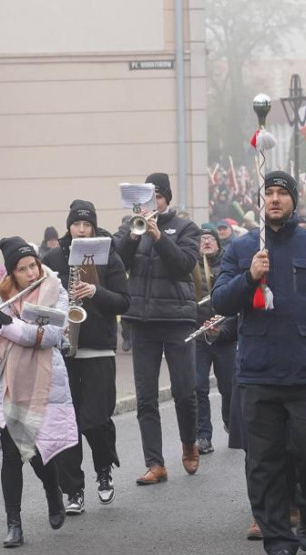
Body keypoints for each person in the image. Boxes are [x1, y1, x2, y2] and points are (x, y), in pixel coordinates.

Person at [212, 170, 306, 555]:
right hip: (257, 372)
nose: (274, 199)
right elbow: (220, 301)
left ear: (293, 200)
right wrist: (250, 276)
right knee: (264, 462)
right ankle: (278, 539)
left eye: (281, 193)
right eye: (269, 193)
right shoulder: (243, 248)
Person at [0, 237, 76, 548]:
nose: (30, 273)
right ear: (11, 273)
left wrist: (7, 323)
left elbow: (49, 335)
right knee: (12, 453)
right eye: (22, 269)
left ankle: (53, 491)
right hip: (7, 382)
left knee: (37, 451)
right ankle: (14, 524)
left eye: (33, 266)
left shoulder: (55, 291)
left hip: (42, 380)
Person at [113, 172, 203, 484]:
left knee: (184, 391)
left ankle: (189, 444)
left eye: (158, 199)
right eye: (147, 201)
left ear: (166, 199)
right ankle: (155, 463)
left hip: (177, 319)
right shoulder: (129, 226)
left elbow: (182, 265)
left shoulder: (187, 228)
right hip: (141, 320)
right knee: (146, 396)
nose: (152, 205)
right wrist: (133, 236)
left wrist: (158, 236)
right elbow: (118, 264)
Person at [43, 200, 131, 513]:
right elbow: (40, 296)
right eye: (76, 224)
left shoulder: (108, 255)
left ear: (93, 227)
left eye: (87, 225)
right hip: (64, 351)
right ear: (69, 225)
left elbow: (124, 302)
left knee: (96, 419)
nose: (81, 229)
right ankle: (73, 490)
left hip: (98, 348)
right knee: (68, 424)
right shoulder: (54, 257)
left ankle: (104, 471)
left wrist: (95, 292)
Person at [193, 224, 236, 456]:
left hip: (224, 337)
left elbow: (235, 301)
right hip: (199, 337)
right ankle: (203, 436)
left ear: (218, 244)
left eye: (211, 238)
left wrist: (223, 328)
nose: (206, 241)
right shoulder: (191, 268)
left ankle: (231, 422)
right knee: (198, 386)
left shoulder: (228, 267)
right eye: (202, 238)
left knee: (228, 386)